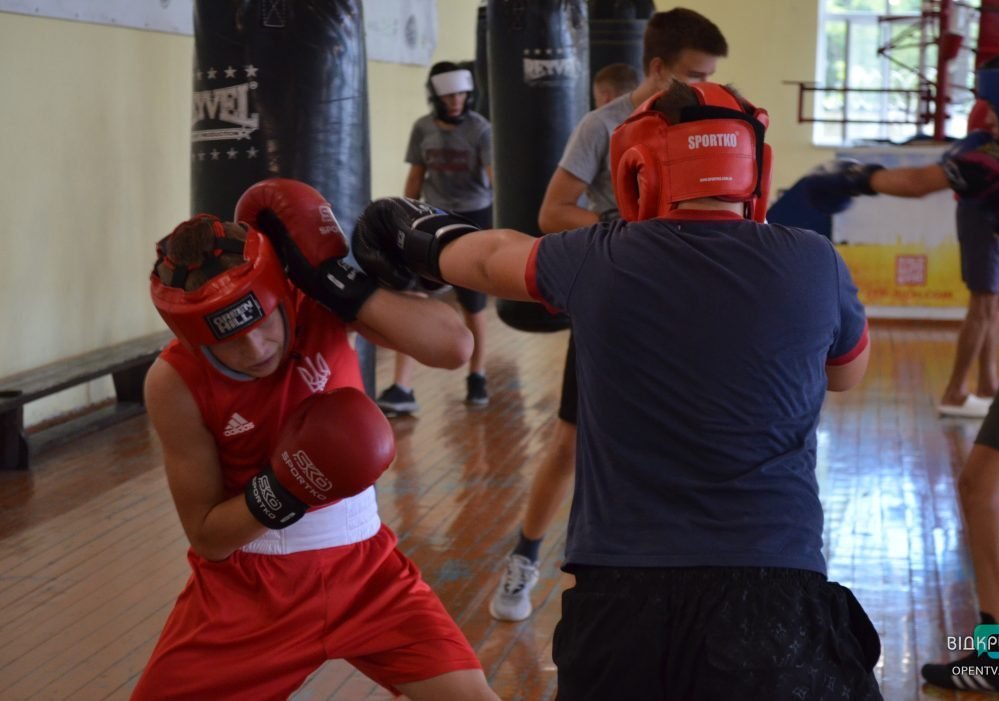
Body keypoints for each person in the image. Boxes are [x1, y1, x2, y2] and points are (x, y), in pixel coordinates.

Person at [354, 81, 880, 700]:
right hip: (774, 591)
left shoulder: (599, 257)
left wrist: (408, 230)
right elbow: (847, 373)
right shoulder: (814, 261)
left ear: (640, 166)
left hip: (621, 595)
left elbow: (491, 256)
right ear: (755, 167)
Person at [132, 179, 498, 701]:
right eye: (228, 342)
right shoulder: (174, 384)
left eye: (261, 324)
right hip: (252, 591)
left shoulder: (316, 306)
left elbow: (454, 347)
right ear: (193, 339)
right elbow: (208, 536)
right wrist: (287, 489)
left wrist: (340, 284)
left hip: (368, 573)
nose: (255, 348)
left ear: (280, 294)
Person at [801, 48, 999, 695]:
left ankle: (998, 655)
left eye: (993, 103)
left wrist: (852, 176)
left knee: (979, 486)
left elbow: (914, 182)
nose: (988, 116)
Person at [490, 6, 729, 623]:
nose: (705, 83)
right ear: (657, 68)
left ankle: (688, 578)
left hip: (687, 308)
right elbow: (551, 213)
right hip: (617, 303)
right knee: (570, 443)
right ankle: (524, 557)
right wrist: (622, 230)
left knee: (686, 444)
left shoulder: (711, 116)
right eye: (694, 72)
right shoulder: (603, 125)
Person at [376, 61, 494, 416]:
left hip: (473, 216)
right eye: (448, 95)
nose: (455, 101)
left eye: (460, 93)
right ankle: (403, 386)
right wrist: (400, 221)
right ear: (436, 97)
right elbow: (415, 178)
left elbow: (494, 175)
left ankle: (477, 375)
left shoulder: (481, 129)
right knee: (412, 296)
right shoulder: (422, 128)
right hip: (431, 218)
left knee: (472, 303)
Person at [938, 100, 999, 418]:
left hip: (995, 209)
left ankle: (988, 383)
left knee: (996, 299)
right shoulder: (994, 106)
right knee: (983, 301)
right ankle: (954, 390)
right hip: (981, 210)